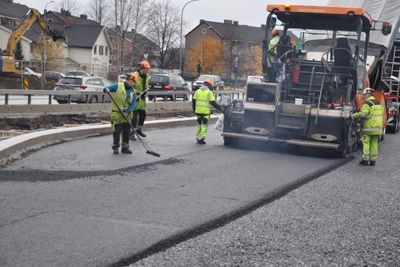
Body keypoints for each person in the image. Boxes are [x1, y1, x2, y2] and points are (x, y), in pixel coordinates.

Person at [103, 74, 138, 154]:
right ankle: (116, 147)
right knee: (116, 132)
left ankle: (125, 148)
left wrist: (128, 111)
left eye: (135, 82)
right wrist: (106, 89)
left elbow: (133, 104)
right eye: (133, 82)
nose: (134, 84)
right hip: (117, 114)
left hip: (127, 115)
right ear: (129, 80)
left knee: (126, 132)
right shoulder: (118, 86)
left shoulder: (133, 92)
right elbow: (107, 88)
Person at [352, 88, 384, 166]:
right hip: (378, 128)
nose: (363, 96)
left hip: (369, 128)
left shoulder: (367, 104)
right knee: (374, 143)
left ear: (368, 94)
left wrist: (353, 116)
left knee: (366, 142)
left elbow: (362, 114)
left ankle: (365, 160)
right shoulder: (378, 103)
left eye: (364, 95)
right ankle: (373, 160)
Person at [192, 79, 221, 144]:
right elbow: (213, 103)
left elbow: (193, 101)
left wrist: (194, 110)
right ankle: (201, 138)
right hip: (205, 112)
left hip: (198, 111)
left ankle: (198, 137)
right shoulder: (209, 92)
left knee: (199, 125)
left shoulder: (197, 91)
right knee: (204, 125)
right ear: (209, 85)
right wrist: (220, 108)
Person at [131, 60, 151, 140]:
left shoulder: (147, 77)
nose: (147, 70)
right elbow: (130, 86)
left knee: (143, 115)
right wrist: (136, 91)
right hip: (135, 99)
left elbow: (146, 86)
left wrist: (146, 90)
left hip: (142, 100)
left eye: (148, 69)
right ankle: (131, 133)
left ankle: (139, 130)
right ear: (142, 68)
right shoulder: (135, 75)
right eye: (147, 69)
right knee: (134, 117)